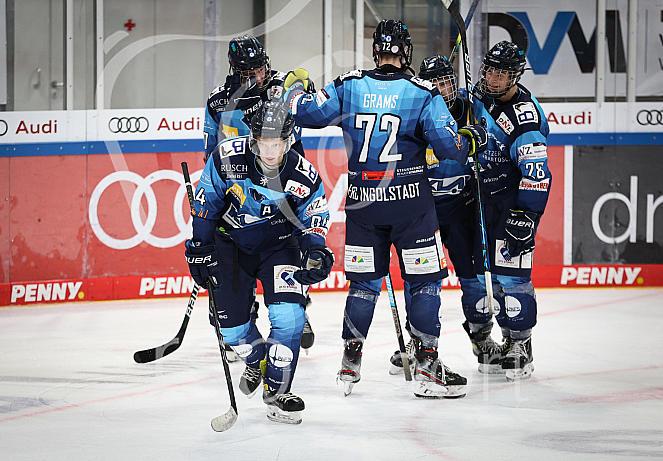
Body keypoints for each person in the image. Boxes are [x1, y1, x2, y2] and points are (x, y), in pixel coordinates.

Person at [282, 20, 487, 399]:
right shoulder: (422, 92)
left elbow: (304, 113)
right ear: (406, 53)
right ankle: (427, 366)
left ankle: (350, 362)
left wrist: (295, 88)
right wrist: (471, 137)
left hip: (363, 208)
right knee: (423, 284)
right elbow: (451, 150)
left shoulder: (349, 85)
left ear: (376, 50)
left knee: (362, 287)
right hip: (412, 210)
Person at [185, 100, 334, 423]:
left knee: (290, 317)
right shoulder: (226, 159)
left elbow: (315, 214)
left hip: (280, 245)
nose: (270, 152)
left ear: (288, 140)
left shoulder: (301, 173)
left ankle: (278, 392)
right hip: (230, 246)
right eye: (264, 143)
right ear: (253, 139)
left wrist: (316, 248)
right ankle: (256, 360)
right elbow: (205, 204)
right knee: (232, 330)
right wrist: (200, 246)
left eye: (277, 143)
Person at [388, 54, 501, 376]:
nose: (441, 88)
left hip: (463, 208)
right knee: (419, 279)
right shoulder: (414, 110)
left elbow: (492, 117)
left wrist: (478, 136)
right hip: (423, 211)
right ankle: (417, 341)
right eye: (434, 83)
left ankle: (482, 337)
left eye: (447, 82)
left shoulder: (471, 105)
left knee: (475, 277)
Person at [204, 34, 317, 352]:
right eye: (249, 71)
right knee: (239, 257)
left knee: (289, 251)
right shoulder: (217, 101)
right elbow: (209, 151)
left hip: (287, 184)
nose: (258, 75)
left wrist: (299, 83)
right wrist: (214, 189)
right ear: (235, 70)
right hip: (242, 191)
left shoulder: (279, 87)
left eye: (260, 68)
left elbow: (303, 85)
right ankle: (244, 313)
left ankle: (297, 303)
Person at [470, 41, 551, 381]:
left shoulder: (524, 118)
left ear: (515, 76)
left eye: (501, 73)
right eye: (489, 70)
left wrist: (528, 215)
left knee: (513, 276)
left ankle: (521, 343)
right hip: (482, 200)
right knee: (489, 276)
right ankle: (504, 339)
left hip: (510, 203)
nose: (493, 78)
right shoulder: (479, 97)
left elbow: (537, 174)